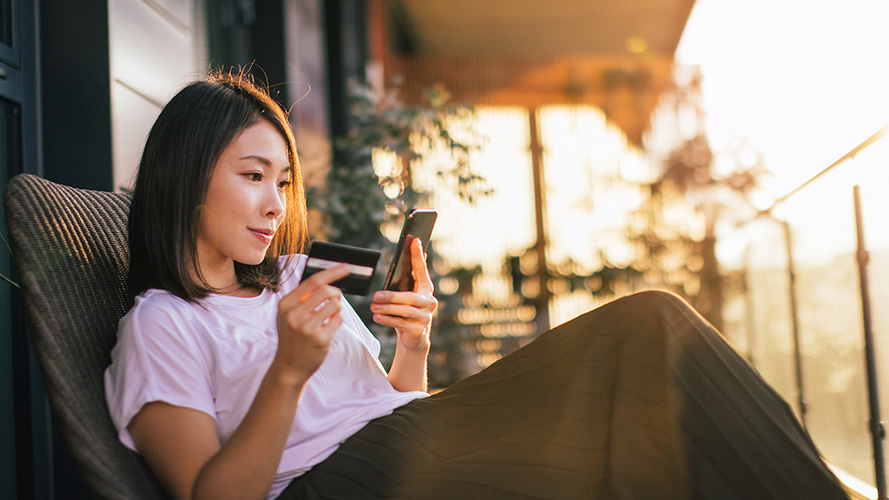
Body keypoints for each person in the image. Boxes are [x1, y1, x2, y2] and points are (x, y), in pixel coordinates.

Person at [105, 71, 851, 500]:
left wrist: (413, 343)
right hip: (338, 486)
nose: (276, 204)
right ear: (187, 176)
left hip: (408, 441)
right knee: (642, 335)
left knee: (651, 358)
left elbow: (388, 401)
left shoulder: (293, 281)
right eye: (253, 177)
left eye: (285, 181)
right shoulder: (163, 323)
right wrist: (286, 376)